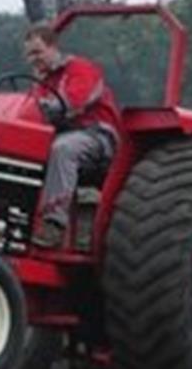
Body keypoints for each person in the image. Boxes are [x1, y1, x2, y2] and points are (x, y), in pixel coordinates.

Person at [24, 23, 122, 249]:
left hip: (97, 136)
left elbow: (73, 103)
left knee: (63, 149)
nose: (33, 59)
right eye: (29, 55)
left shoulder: (80, 69)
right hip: (64, 134)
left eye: (37, 52)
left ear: (52, 47)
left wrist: (42, 107)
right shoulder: (41, 83)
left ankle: (53, 224)